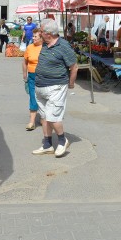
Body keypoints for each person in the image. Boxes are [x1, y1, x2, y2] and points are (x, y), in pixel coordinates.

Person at [32, 18, 78, 158]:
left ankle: (62, 140)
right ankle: (47, 145)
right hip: (40, 86)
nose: (39, 33)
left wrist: (70, 84)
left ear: (49, 34)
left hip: (56, 86)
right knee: (45, 117)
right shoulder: (45, 44)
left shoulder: (63, 46)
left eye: (41, 31)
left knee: (53, 117)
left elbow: (74, 67)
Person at [22, 28, 43, 131]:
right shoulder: (29, 47)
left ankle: (44, 117)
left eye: (35, 36)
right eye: (33, 36)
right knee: (33, 97)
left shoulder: (45, 48)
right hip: (31, 76)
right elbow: (25, 62)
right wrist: (24, 75)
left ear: (41, 38)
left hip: (43, 76)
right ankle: (32, 122)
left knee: (44, 97)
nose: (33, 38)